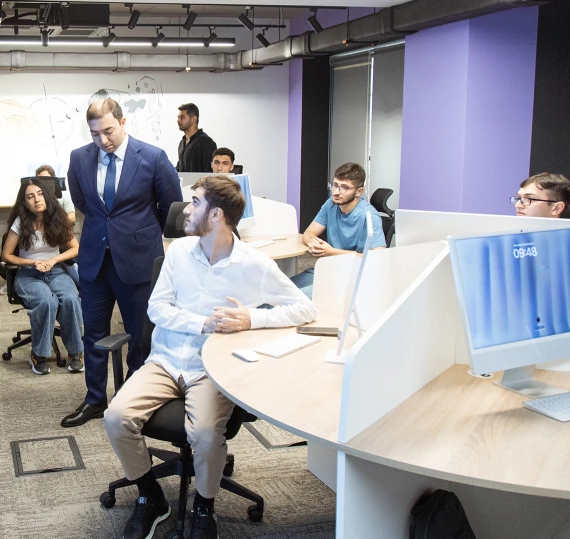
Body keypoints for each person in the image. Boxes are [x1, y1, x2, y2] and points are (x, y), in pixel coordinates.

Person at [104, 176, 315, 539]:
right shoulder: (179, 253)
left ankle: (204, 507)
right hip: (166, 360)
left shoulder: (254, 264)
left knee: (202, 433)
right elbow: (157, 308)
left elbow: (304, 308)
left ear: (216, 215)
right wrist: (201, 323)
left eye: (195, 203)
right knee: (116, 417)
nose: (186, 210)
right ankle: (151, 496)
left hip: (211, 369)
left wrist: (253, 318)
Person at [62, 99, 182, 428]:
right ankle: (95, 399)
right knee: (93, 334)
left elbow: (172, 209)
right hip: (95, 260)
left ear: (123, 122)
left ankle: (132, 399)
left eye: (109, 131)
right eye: (95, 134)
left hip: (139, 260)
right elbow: (82, 202)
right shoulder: (79, 158)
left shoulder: (153, 157)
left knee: (140, 336)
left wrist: (140, 235)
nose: (103, 140)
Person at [1, 178, 84, 375]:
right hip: (29, 274)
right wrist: (32, 262)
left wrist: (54, 260)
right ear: (24, 202)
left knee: (71, 299)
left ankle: (76, 352)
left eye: (40, 194)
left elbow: (75, 248)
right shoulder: (20, 222)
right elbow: (7, 255)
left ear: (47, 196)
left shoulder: (58, 218)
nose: (37, 199)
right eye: (30, 196)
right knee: (47, 302)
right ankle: (38, 355)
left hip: (55, 271)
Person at [291, 162, 386, 298]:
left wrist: (332, 252)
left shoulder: (369, 216)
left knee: (293, 299)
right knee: (280, 288)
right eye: (335, 185)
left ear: (359, 192)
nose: (336, 192)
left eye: (345, 188)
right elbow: (308, 233)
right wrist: (316, 244)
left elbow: (378, 258)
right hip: (329, 269)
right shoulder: (331, 204)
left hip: (353, 277)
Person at [176, 103, 217, 173]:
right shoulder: (182, 143)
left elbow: (209, 172)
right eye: (178, 117)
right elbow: (180, 168)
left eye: (182, 117)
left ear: (194, 119)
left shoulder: (206, 142)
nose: (178, 121)